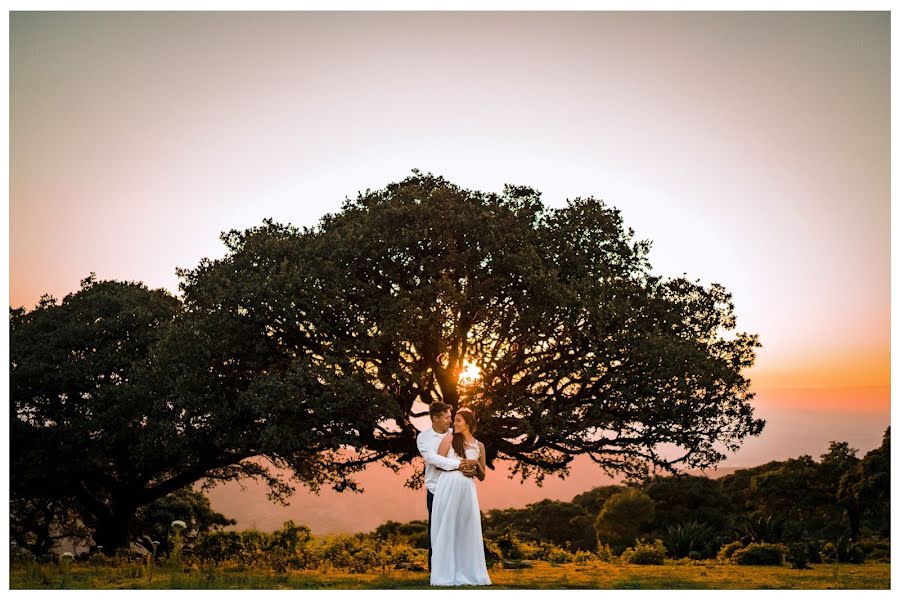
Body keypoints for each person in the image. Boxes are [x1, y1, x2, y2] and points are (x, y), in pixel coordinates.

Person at [429, 407, 492, 586]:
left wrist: (474, 465)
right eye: (453, 420)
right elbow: (438, 463)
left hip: (467, 490)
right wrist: (459, 465)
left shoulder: (479, 446)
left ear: (469, 423)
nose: (453, 423)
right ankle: (445, 574)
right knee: (448, 527)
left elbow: (482, 475)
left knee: (466, 529)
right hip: (448, 487)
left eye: (458, 420)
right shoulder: (449, 439)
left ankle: (467, 572)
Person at [416, 401, 478, 572]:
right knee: (437, 529)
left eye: (451, 417)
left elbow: (470, 453)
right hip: (436, 489)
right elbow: (433, 459)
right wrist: (459, 465)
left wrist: (472, 470)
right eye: (446, 417)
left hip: (457, 490)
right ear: (435, 418)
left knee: (458, 528)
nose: (450, 421)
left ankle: (458, 566)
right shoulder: (424, 437)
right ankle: (435, 569)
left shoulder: (455, 434)